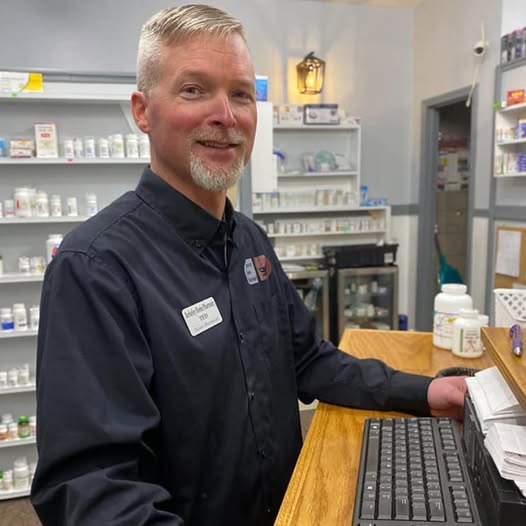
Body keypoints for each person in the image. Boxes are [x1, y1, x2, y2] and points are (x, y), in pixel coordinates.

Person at [30, 5, 468, 526]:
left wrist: (424, 390)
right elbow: (92, 490)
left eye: (240, 94)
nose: (226, 115)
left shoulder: (250, 242)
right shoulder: (96, 267)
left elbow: (309, 361)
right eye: (194, 89)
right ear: (143, 112)